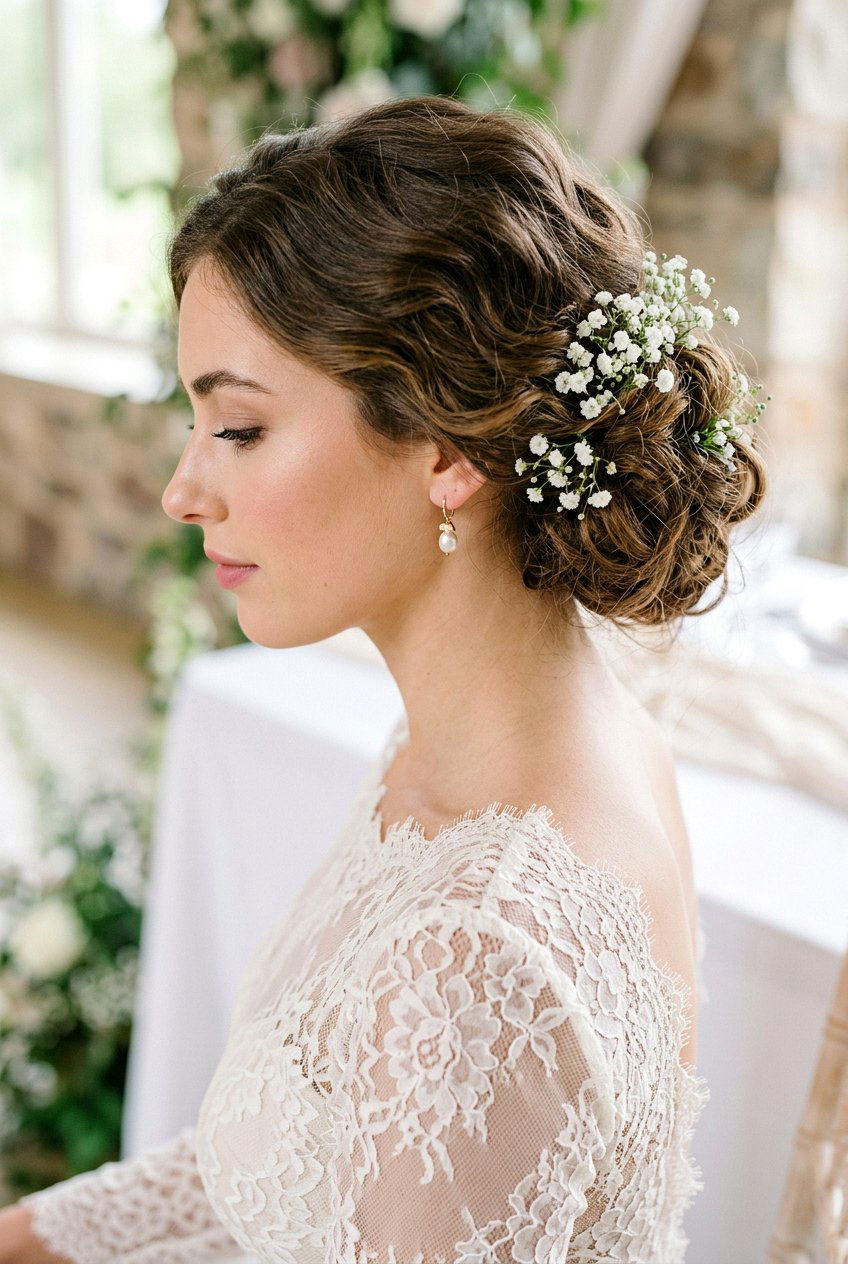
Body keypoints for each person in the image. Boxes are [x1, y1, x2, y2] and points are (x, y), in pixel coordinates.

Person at [0, 93, 767, 1262]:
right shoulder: (499, 749)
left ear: (447, 450)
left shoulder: (470, 958)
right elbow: (288, 1162)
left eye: (239, 429)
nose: (182, 491)